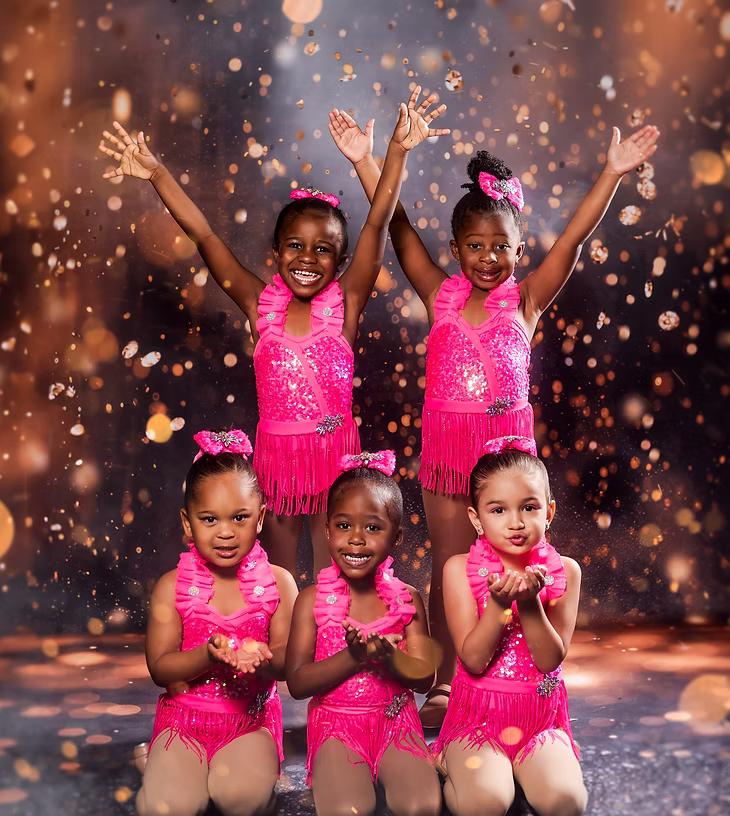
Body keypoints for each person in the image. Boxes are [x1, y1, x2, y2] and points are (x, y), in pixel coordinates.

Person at [329, 92, 659, 722]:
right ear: (456, 250)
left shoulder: (527, 300)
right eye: (475, 246)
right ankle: (445, 682)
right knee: (452, 566)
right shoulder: (439, 293)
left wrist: (612, 173)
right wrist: (367, 162)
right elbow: (398, 231)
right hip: (448, 454)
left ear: (518, 249)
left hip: (507, 460)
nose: (488, 258)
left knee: (512, 562)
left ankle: (513, 675)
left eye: (500, 246)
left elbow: (574, 236)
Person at [98, 92, 448, 582]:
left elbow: (378, 220)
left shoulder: (346, 302)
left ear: (342, 262)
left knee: (335, 582)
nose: (307, 258)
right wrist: (158, 174)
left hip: (335, 461)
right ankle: (281, 635)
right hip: (276, 465)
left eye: (323, 249)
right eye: (295, 246)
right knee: (276, 581)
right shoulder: (257, 304)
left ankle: (333, 633)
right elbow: (205, 237)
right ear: (276, 251)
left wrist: (394, 152)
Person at [136, 429, 297, 816]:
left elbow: (288, 665)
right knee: (171, 807)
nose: (225, 532)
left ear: (260, 518)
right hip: (184, 721)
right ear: (187, 522)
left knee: (239, 799)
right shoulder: (172, 585)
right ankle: (163, 771)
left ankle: (247, 780)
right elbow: (160, 668)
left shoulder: (278, 583)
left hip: (248, 722)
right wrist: (207, 656)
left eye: (240, 518)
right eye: (209, 519)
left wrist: (261, 656)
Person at [433, 436, 586, 816]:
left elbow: (549, 660)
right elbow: (473, 661)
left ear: (549, 512)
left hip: (539, 721)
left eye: (529, 507)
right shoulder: (458, 569)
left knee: (565, 803)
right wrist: (499, 606)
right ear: (476, 518)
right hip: (479, 723)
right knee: (486, 805)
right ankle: (456, 766)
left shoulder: (565, 571)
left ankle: (525, 769)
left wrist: (529, 602)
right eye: (498, 510)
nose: (516, 523)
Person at [285, 451, 442, 816]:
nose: (356, 539)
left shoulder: (407, 599)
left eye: (372, 528)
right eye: (343, 526)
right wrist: (353, 657)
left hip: (397, 722)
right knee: (349, 810)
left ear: (396, 536)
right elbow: (297, 683)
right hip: (337, 727)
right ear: (327, 530)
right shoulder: (310, 601)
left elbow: (425, 679)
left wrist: (392, 658)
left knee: (421, 807)